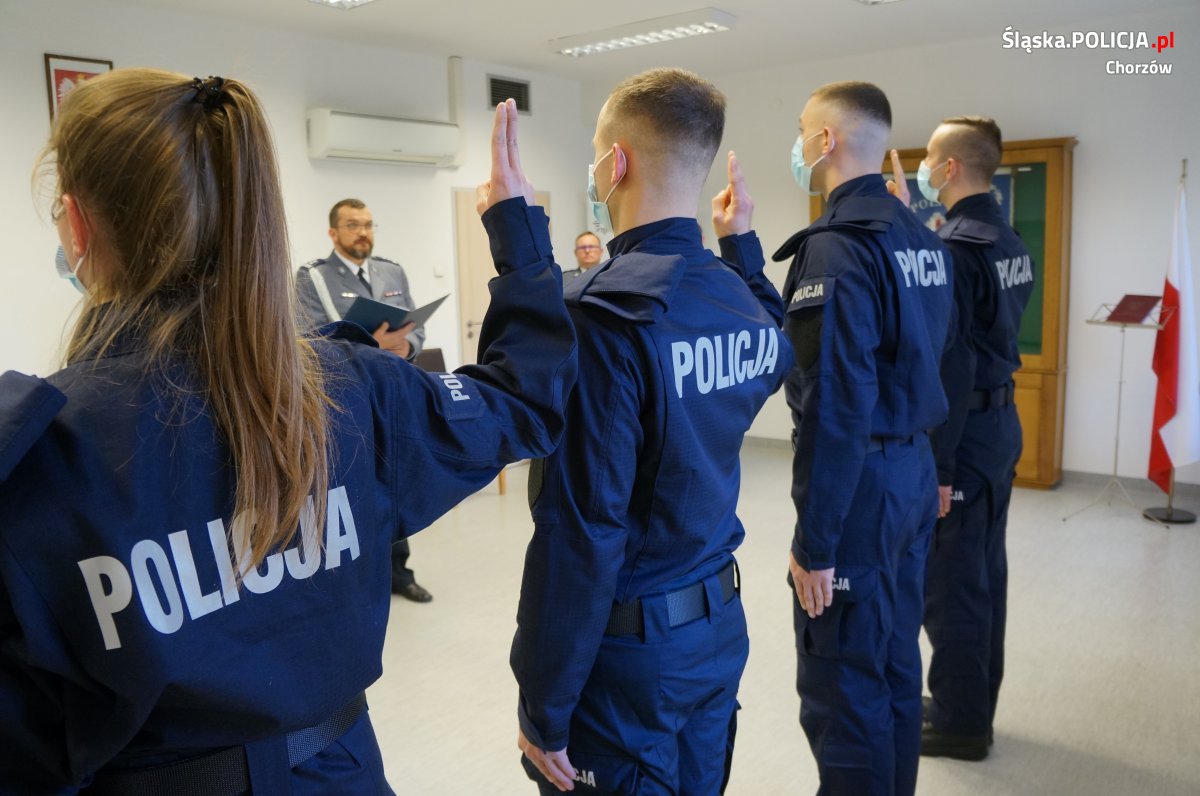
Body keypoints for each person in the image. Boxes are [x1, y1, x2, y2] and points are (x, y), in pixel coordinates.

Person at [0, 70, 575, 794]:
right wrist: (519, 235)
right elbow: (526, 400)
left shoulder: (38, 460)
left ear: (78, 227)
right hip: (343, 774)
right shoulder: (349, 390)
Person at [511, 67, 791, 795]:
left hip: (634, 658)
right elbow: (777, 342)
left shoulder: (602, 314)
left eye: (595, 157)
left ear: (617, 163)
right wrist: (742, 246)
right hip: (717, 629)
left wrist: (544, 703)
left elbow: (583, 529)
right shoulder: (736, 296)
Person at [771, 81, 953, 795]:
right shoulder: (922, 238)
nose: (798, 145)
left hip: (861, 492)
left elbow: (835, 408)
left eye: (801, 130)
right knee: (895, 660)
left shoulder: (836, 250)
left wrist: (815, 544)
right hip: (911, 471)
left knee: (844, 682)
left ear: (825, 141)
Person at [912, 116, 1033, 761]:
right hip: (1001, 424)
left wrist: (940, 468)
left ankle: (960, 722)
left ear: (951, 167)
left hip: (966, 434)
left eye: (931, 157)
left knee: (954, 582)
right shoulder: (1007, 239)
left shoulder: (957, 250)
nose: (926, 168)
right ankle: (975, 702)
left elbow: (952, 365)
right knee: (986, 571)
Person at [296, 199, 433, 603]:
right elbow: (309, 339)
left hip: (392, 395)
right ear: (333, 233)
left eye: (369, 225)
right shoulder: (312, 277)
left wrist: (406, 347)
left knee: (395, 484)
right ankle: (355, 580)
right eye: (353, 225)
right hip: (344, 399)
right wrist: (375, 346)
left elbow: (415, 328)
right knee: (351, 490)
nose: (363, 233)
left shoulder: (392, 271)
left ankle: (399, 573)